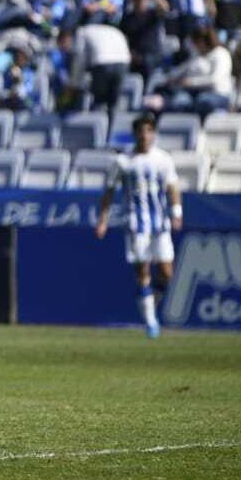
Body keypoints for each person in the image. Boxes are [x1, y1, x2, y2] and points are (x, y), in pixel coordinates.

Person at [94, 115, 180, 339]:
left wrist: (177, 211)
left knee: (167, 273)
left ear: (153, 134)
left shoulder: (163, 159)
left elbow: (172, 187)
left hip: (160, 223)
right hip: (136, 224)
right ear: (135, 134)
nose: (145, 135)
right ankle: (151, 323)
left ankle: (151, 302)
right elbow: (109, 193)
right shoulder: (123, 161)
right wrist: (103, 219)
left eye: (149, 131)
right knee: (142, 272)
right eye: (141, 131)